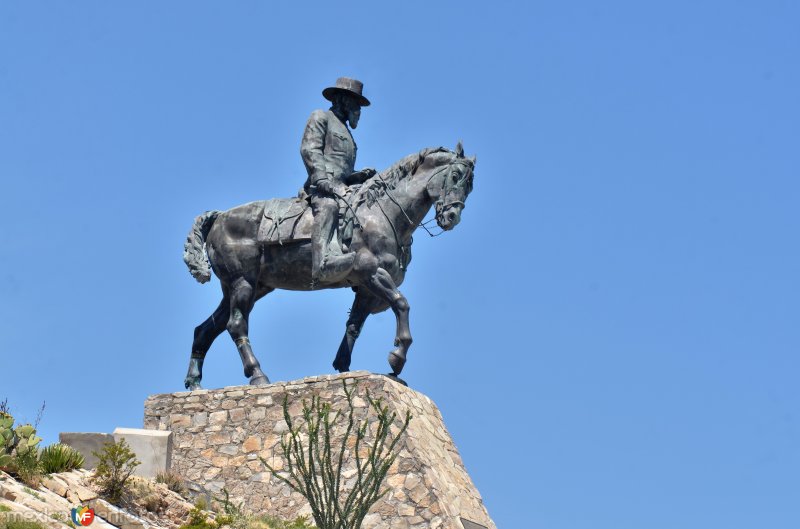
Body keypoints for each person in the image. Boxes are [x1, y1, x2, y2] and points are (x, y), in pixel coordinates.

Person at [300, 77, 376, 285]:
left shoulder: (347, 133)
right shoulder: (321, 117)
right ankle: (322, 262)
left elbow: (340, 169)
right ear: (343, 100)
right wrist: (321, 178)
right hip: (321, 189)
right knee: (329, 207)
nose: (358, 110)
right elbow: (310, 149)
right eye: (356, 104)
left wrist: (357, 176)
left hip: (343, 188)